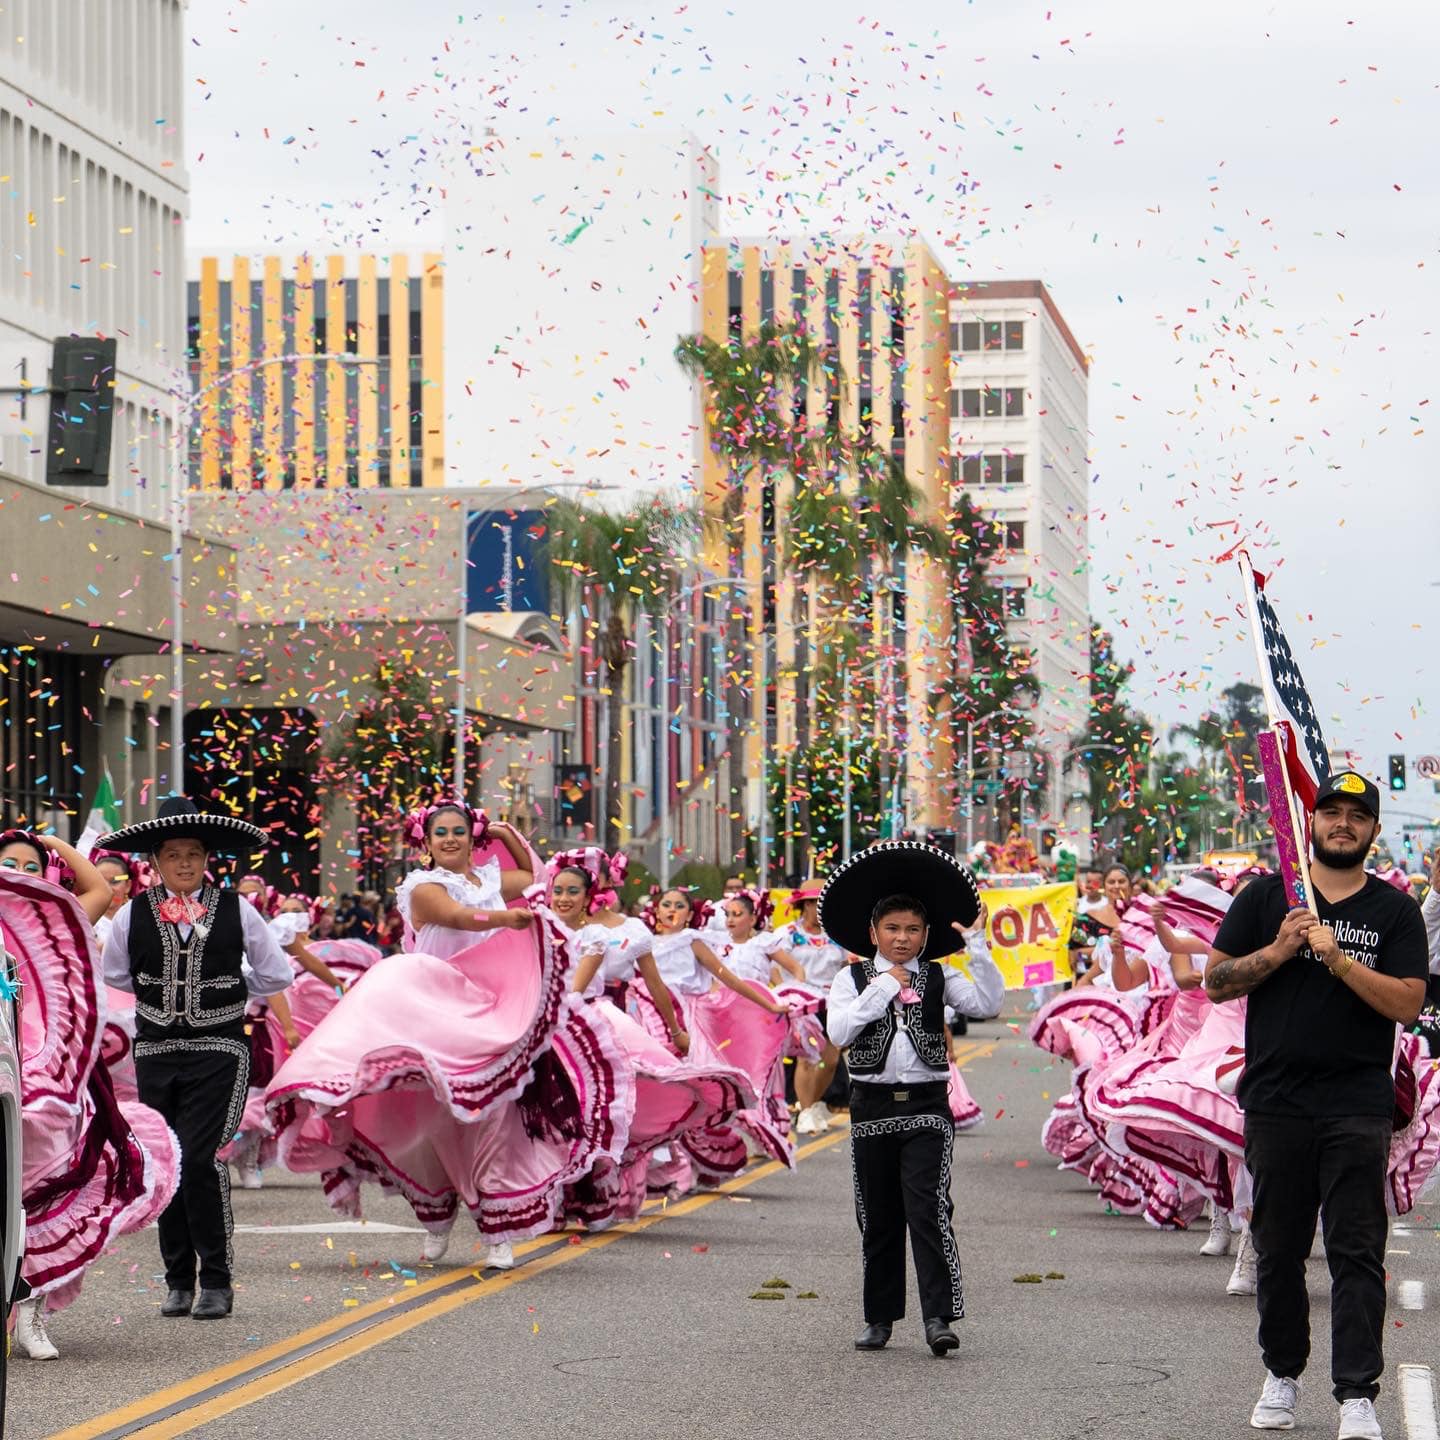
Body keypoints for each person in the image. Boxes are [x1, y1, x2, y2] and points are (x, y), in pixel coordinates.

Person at [1206, 773, 1427, 1440]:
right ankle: (1282, 1375)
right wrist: (1278, 949)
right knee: (1278, 1251)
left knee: (1357, 1251)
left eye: (1357, 815)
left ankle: (1356, 1394)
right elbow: (1216, 982)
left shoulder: (1393, 911)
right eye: (1330, 810)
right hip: (1275, 1102)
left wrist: (1336, 959)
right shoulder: (1266, 897)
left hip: (1357, 1103)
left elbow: (1408, 1003)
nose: (1342, 823)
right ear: (1310, 822)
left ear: (1372, 831)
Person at [97, 797, 293, 1322]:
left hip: (219, 1049)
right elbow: (116, 974)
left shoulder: (237, 909)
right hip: (158, 1050)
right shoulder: (133, 914)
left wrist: (230, 988)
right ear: (154, 862)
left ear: (208, 858)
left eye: (194, 854)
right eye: (173, 855)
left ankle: (217, 1281)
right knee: (170, 1160)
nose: (184, 863)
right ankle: (178, 1280)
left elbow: (276, 975)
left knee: (201, 1160)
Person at [822, 841, 1004, 1357]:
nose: (903, 939)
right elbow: (839, 1032)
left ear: (927, 935)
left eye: (913, 930)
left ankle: (938, 1317)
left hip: (927, 1107)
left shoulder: (940, 976)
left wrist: (979, 946)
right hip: (872, 1108)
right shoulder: (849, 979)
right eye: (893, 929)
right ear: (874, 933)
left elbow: (989, 1004)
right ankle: (879, 1319)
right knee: (877, 1216)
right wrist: (881, 988)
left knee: (928, 1210)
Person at [776, 880, 849, 1135]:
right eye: (813, 903)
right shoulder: (787, 934)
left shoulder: (837, 936)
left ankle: (814, 1104)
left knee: (830, 1061)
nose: (818, 909)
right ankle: (804, 1110)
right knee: (808, 1059)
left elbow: (846, 967)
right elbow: (773, 965)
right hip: (802, 1004)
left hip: (831, 1003)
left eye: (822, 904)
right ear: (803, 905)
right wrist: (785, 993)